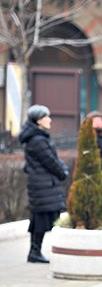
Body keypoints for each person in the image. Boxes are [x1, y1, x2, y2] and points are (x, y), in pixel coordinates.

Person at [18, 105, 69, 263]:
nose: (50, 119)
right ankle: (35, 252)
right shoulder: (37, 140)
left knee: (41, 217)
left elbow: (52, 159)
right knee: (41, 217)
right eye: (47, 117)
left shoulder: (38, 137)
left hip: (43, 183)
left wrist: (61, 168)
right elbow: (50, 160)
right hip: (42, 184)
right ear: (39, 120)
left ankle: (35, 251)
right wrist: (63, 172)